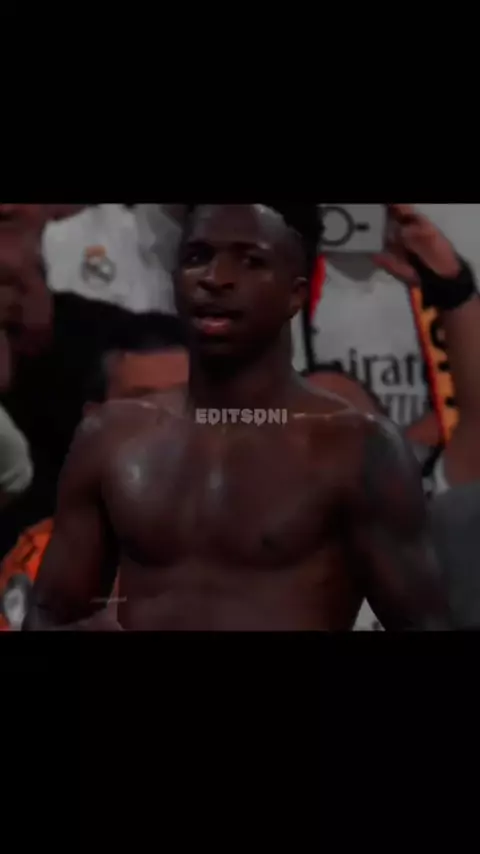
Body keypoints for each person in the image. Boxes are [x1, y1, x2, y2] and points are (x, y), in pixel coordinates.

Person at [24, 204, 450, 632]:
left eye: (251, 261)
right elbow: (47, 615)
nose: (215, 278)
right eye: (198, 257)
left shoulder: (355, 449)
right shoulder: (111, 439)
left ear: (296, 294)